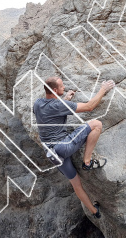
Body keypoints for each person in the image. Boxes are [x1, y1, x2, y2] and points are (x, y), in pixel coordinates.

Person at [33, 76, 115, 219]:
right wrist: (103, 89)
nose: (64, 87)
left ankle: (95, 212)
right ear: (54, 90)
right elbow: (90, 106)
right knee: (96, 124)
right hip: (63, 147)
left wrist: (65, 99)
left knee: (76, 184)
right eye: (61, 86)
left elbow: (50, 111)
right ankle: (88, 162)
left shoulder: (38, 103)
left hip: (53, 155)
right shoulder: (58, 106)